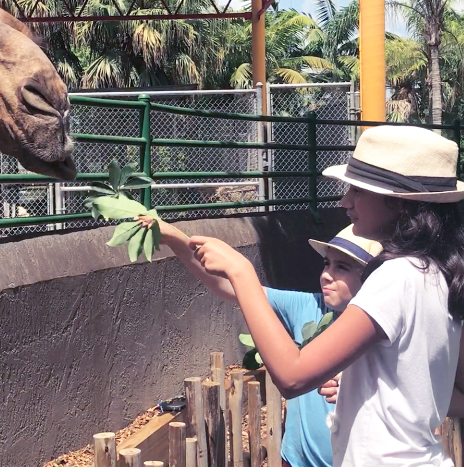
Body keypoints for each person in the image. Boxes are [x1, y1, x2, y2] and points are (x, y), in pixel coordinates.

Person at [187, 125, 464, 466]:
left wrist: (241, 271)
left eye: (358, 191)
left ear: (397, 204)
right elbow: (446, 389)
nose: (344, 201)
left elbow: (292, 375)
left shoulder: (397, 278)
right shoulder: (437, 275)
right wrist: (362, 383)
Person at [138, 213, 380, 467]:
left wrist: (356, 387)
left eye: (342, 267)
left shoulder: (382, 327)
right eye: (326, 263)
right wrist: (176, 238)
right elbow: (229, 285)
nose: (327, 275)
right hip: (295, 461)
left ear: (373, 277)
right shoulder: (308, 306)